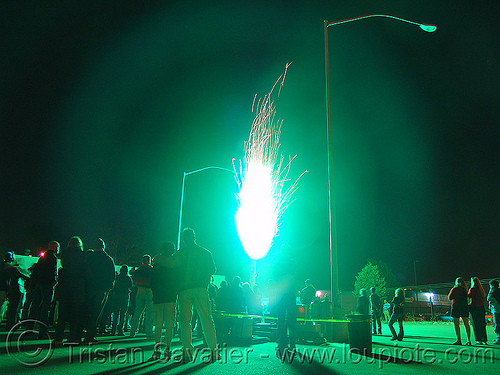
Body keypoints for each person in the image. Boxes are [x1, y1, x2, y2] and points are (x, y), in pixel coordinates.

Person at [165, 228, 219, 361]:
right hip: (201, 289)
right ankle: (213, 351)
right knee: (206, 319)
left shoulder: (180, 254)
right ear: (194, 237)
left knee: (185, 320)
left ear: (184, 239)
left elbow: (173, 269)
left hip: (184, 290)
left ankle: (187, 350)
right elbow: (212, 269)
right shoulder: (205, 253)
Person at [82, 238, 116, 344]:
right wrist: (108, 287)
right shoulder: (108, 259)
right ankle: (90, 335)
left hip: (88, 287)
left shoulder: (89, 257)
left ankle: (79, 332)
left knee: (85, 310)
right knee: (96, 312)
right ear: (103, 246)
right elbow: (112, 275)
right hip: (101, 289)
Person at [149, 242, 179, 361]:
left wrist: (155, 292)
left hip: (158, 297)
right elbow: (177, 281)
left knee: (158, 323)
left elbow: (152, 281)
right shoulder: (175, 264)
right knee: (170, 323)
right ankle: (168, 349)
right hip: (171, 297)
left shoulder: (157, 263)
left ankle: (157, 349)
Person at [54, 237, 86, 344]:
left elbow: (63, 265)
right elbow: (84, 270)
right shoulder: (82, 255)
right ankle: (73, 337)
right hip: (77, 287)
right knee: (75, 314)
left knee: (62, 314)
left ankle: (58, 337)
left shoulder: (65, 254)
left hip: (65, 286)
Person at [29, 241, 59, 337]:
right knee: (46, 308)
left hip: (39, 284)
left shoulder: (42, 258)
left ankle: (29, 327)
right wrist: (54, 281)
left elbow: (35, 271)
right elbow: (53, 272)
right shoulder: (53, 258)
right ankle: (43, 330)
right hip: (48, 285)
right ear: (55, 247)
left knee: (35, 306)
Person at [272, 243, 297, 361]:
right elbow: (295, 276)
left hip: (281, 294)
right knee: (292, 320)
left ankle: (281, 344)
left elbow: (274, 275)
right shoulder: (293, 262)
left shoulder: (277, 261)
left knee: (280, 319)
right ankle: (293, 344)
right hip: (291, 293)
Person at [129, 254, 154, 339]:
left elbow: (133, 275)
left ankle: (132, 331)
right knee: (149, 314)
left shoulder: (139, 269)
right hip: (150, 292)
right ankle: (149, 333)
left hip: (139, 291)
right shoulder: (152, 269)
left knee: (137, 312)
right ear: (149, 261)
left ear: (142, 261)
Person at [448, 277, 471, 345]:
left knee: (456, 324)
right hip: (464, 307)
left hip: (456, 307)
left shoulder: (455, 289)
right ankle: (469, 340)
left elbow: (450, 297)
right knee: (466, 324)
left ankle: (459, 340)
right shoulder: (464, 289)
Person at [111, 265, 133, 336]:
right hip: (124, 296)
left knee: (116, 313)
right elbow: (131, 286)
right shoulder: (128, 278)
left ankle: (113, 330)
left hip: (117, 295)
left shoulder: (117, 277)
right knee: (123, 313)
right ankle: (120, 330)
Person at [468, 277, 487, 344]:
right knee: (482, 324)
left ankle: (479, 340)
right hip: (481, 308)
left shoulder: (472, 289)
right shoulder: (481, 290)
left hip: (474, 308)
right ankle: (484, 339)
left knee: (475, 324)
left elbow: (468, 296)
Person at [487, 279, 500, 344]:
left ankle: (499, 339)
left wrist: (490, 290)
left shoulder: (493, 292)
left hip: (497, 310)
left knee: (497, 324)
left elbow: (488, 298)